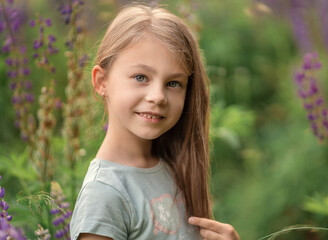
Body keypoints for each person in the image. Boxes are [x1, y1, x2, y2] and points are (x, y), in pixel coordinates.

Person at [70, 3, 241, 240]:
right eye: (141, 77)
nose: (158, 97)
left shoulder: (174, 166)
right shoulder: (104, 194)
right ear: (102, 82)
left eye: (174, 83)